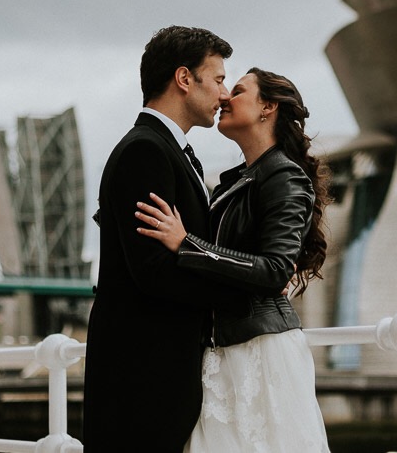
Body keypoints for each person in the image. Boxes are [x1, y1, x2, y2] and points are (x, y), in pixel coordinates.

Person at [135, 67, 332, 453]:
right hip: (225, 349)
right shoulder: (239, 179)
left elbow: (275, 269)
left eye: (238, 90)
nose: (225, 97)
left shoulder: (283, 176)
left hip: (262, 351)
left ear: (267, 107)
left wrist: (185, 243)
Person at [83, 26, 248, 453]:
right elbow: (153, 271)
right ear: (183, 79)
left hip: (158, 370)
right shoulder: (146, 152)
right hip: (143, 373)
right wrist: (238, 291)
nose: (224, 93)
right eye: (217, 79)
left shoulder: (166, 150)